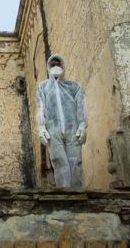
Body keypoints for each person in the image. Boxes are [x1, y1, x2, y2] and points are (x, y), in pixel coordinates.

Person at [36, 54, 87, 188]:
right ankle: (64, 192)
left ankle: (76, 194)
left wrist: (82, 124)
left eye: (58, 64)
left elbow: (81, 106)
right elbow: (41, 108)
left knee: (75, 161)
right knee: (58, 161)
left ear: (63, 66)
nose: (56, 67)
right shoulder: (43, 87)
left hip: (73, 129)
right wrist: (41, 128)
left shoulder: (74, 86)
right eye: (53, 65)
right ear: (48, 67)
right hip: (53, 129)